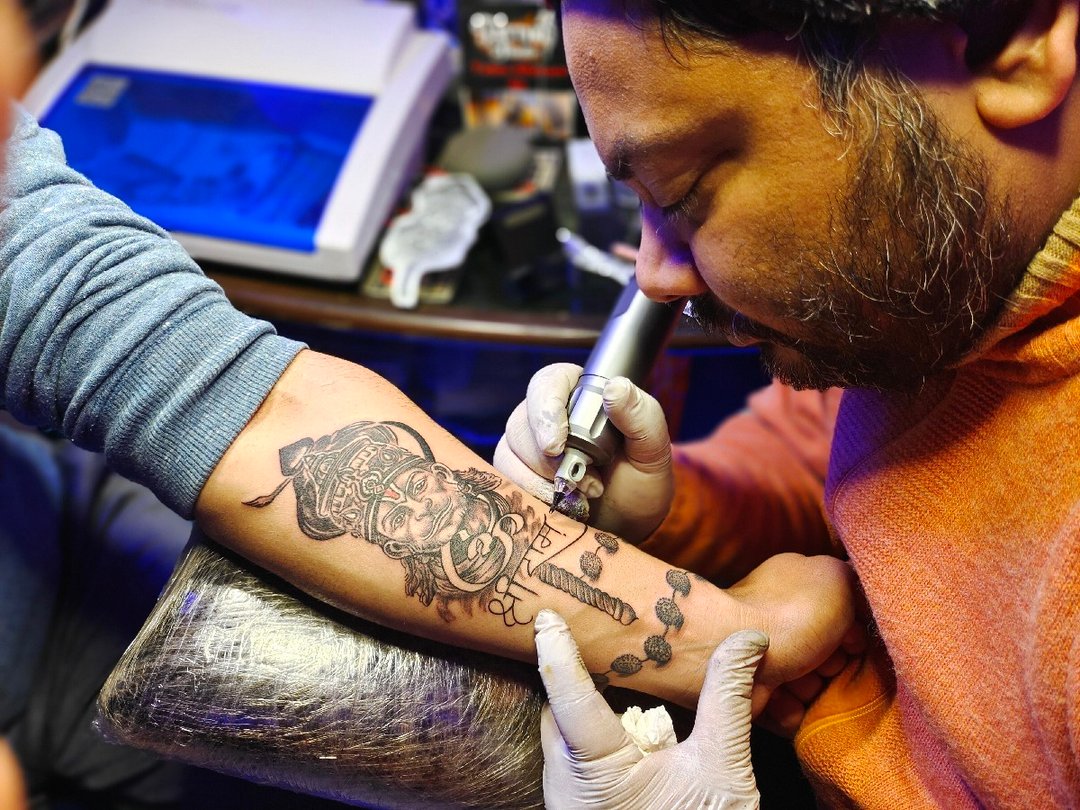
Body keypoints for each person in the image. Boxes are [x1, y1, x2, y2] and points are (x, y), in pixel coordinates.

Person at [0, 0, 856, 804]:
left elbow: (222, 397)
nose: (654, 275)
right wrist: (705, 592)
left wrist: (715, 587)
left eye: (683, 194)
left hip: (61, 533)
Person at [496, 0, 1080, 805]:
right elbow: (839, 429)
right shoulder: (941, 290)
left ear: (1009, 43)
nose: (654, 278)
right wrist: (670, 509)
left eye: (681, 191)